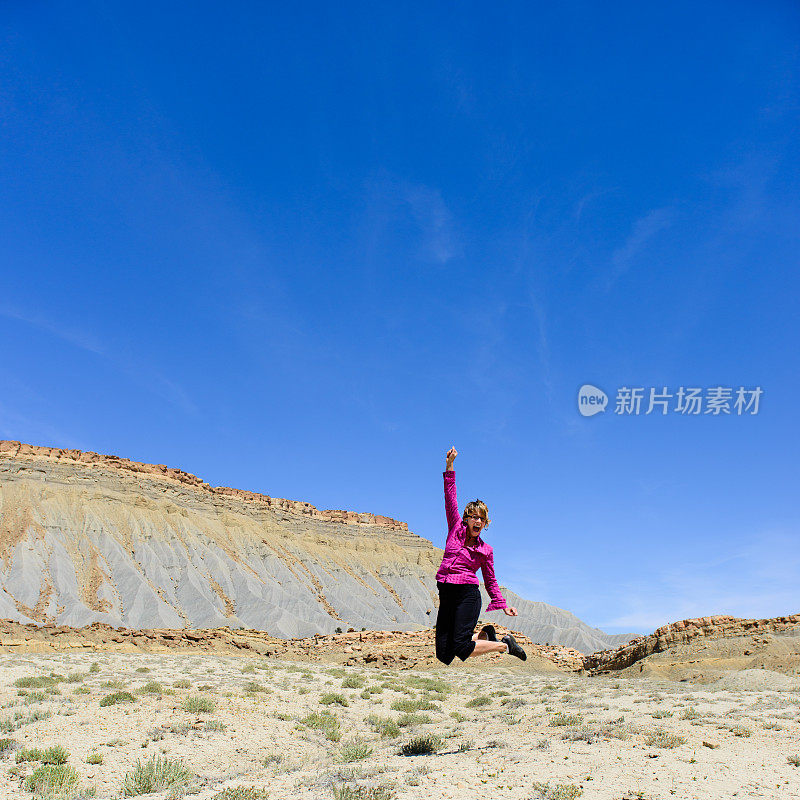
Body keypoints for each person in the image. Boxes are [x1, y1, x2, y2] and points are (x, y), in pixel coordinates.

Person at [434, 446, 527, 665]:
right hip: (446, 593)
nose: (477, 521)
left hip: (467, 595)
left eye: (482, 519)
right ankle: (485, 636)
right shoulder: (455, 528)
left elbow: (491, 580)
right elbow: (450, 496)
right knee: (444, 654)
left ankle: (505, 644)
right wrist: (449, 465)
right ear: (466, 518)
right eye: (474, 516)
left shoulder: (485, 550)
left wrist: (502, 604)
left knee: (462, 647)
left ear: (485, 524)